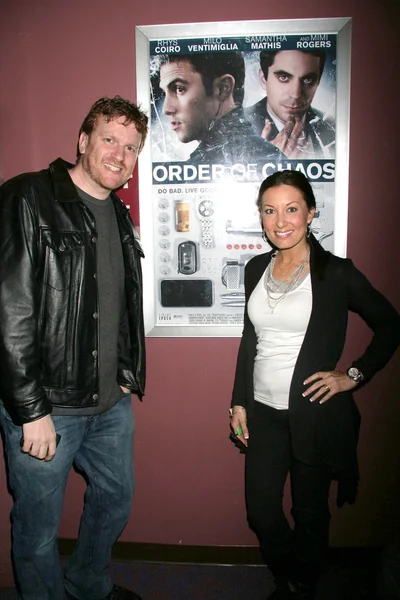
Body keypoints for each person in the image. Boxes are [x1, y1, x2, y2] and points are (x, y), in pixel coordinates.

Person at [0, 96, 148, 600]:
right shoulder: (27, 197)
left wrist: (126, 371)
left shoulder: (120, 217)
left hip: (109, 404)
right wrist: (29, 410)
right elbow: (9, 310)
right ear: (83, 141)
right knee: (38, 529)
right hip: (47, 408)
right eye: (110, 138)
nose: (120, 154)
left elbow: (118, 303)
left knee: (116, 502)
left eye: (132, 147)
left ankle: (88, 584)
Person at [230, 170, 400, 599]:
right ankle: (291, 572)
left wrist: (354, 376)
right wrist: (238, 403)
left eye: (291, 209)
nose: (280, 220)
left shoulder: (335, 273)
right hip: (264, 413)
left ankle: (299, 585)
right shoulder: (255, 268)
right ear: (261, 216)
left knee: (309, 512)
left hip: (312, 412)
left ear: (311, 212)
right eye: (270, 210)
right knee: (262, 511)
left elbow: (389, 325)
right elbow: (250, 340)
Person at [158, 52, 280, 165]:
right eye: (165, 93)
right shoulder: (269, 156)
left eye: (180, 89)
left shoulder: (199, 168)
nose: (167, 109)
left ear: (223, 88)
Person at [245, 50, 335, 159]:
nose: (296, 94)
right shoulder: (236, 129)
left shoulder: (333, 127)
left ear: (318, 82)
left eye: (307, 79)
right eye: (283, 78)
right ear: (264, 78)